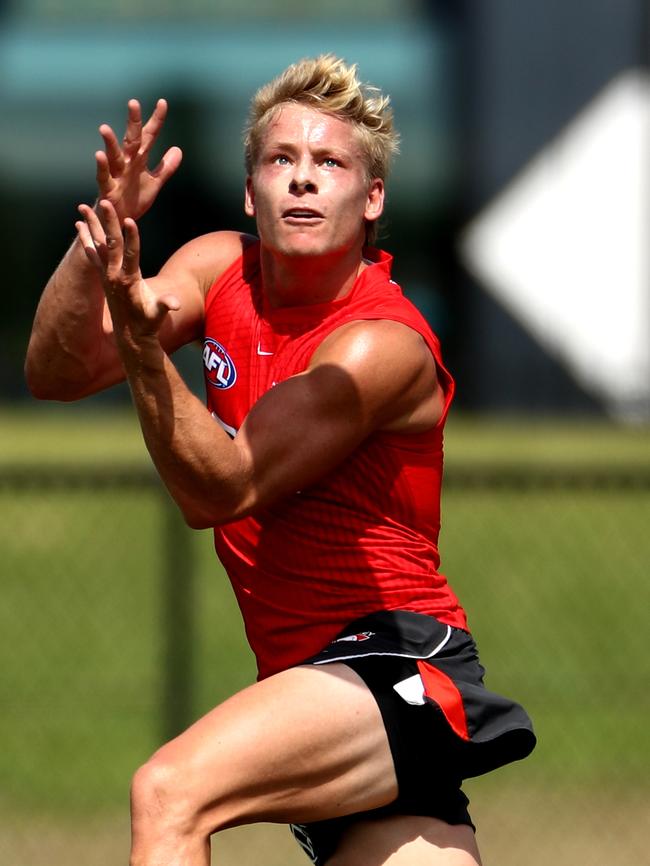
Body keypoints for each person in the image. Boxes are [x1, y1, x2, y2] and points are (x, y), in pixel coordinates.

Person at [25, 55, 535, 866]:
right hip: (310, 689)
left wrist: (137, 338)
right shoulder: (220, 267)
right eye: (281, 160)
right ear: (248, 191)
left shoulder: (380, 344)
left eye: (329, 163)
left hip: (393, 658)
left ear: (371, 200)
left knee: (169, 792)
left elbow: (220, 489)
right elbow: (56, 371)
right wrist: (99, 243)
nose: (303, 180)